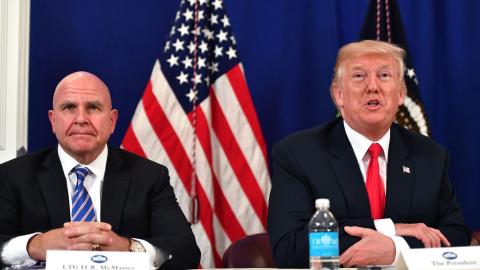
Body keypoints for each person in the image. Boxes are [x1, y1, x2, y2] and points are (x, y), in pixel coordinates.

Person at [267, 40, 471, 268]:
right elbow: (289, 247)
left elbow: (456, 238)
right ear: (338, 95)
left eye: (384, 76)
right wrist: (391, 229)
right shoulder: (297, 154)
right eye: (359, 76)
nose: (372, 86)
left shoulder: (431, 156)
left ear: (401, 94)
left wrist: (396, 249)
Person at [0, 71, 200, 269]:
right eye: (69, 107)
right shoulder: (13, 176)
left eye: (93, 107)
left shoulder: (149, 177)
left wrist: (128, 248)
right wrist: (36, 245)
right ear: (53, 121)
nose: (81, 118)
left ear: (112, 121)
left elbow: (186, 251)